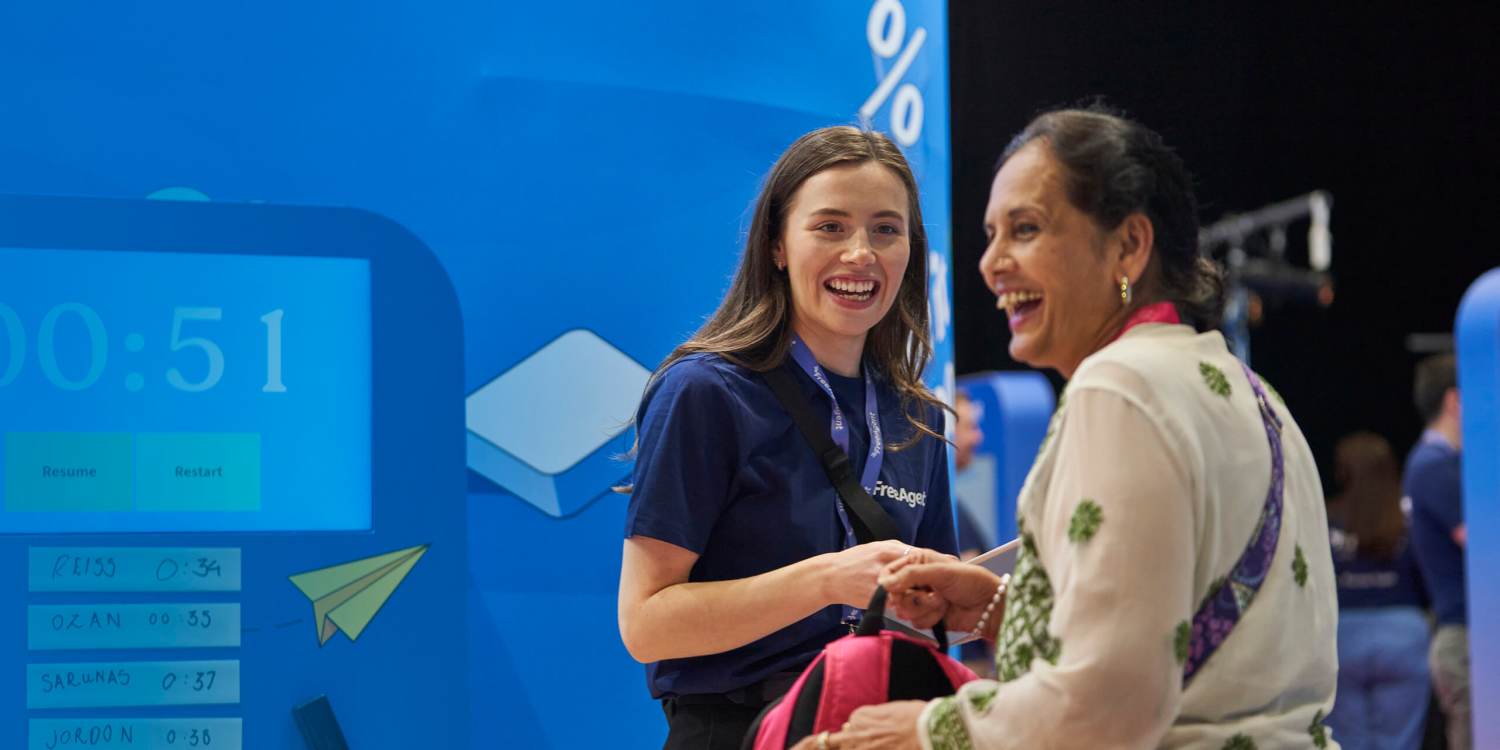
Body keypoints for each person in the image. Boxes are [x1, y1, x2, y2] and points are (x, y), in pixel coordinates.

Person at [799, 106, 1340, 749]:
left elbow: (1114, 701)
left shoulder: (1119, 387)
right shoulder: (1250, 392)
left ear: (1129, 246)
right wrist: (1000, 609)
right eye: (991, 234)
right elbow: (1182, 637)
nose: (990, 263)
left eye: (1025, 229)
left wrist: (926, 731)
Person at [616, 125, 958, 750]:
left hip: (879, 727)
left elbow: (939, 615)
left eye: (886, 229)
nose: (862, 253)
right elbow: (646, 624)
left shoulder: (916, 417)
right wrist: (827, 580)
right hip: (739, 729)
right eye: (830, 227)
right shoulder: (706, 392)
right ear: (776, 245)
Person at [1324, 431, 1430, 750]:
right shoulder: (1408, 517)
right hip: (1405, 635)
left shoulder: (1327, 517)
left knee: (1348, 743)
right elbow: (1427, 574)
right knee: (1401, 743)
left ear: (1342, 472)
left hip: (1344, 638)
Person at [1404, 353, 1469, 750]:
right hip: (1465, 638)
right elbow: (1481, 543)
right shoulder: (1434, 465)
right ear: (1453, 400)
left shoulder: (1436, 463)